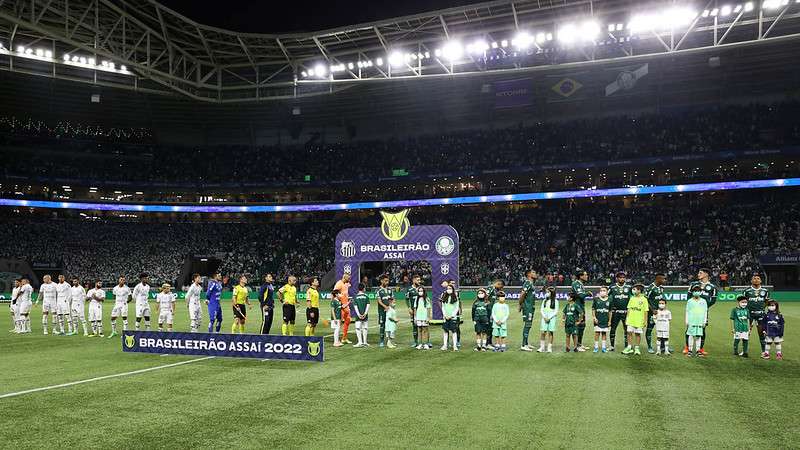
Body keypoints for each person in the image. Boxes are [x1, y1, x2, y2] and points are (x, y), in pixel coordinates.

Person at [684, 268, 717, 355]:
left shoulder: (713, 287)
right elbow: (688, 297)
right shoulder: (693, 284)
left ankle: (701, 349)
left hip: (703, 313)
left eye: (700, 273)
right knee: (689, 329)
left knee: (702, 329)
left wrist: (703, 308)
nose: (698, 274)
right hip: (692, 312)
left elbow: (713, 301)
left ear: (706, 275)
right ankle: (687, 348)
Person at [743, 272, 769, 355]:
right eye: (754, 278)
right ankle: (744, 351)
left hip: (761, 315)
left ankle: (764, 351)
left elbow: (766, 302)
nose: (756, 280)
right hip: (748, 315)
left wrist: (761, 309)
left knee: (761, 334)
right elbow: (742, 303)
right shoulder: (746, 291)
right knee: (746, 333)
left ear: (761, 280)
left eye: (758, 278)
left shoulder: (765, 291)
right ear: (751, 280)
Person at [622, 283, 649, 355]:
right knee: (629, 333)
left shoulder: (644, 299)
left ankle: (637, 348)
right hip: (631, 319)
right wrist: (627, 318)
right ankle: (629, 347)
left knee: (637, 334)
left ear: (639, 290)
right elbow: (629, 309)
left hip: (639, 320)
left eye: (635, 289)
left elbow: (646, 311)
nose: (633, 290)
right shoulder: (632, 298)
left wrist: (645, 321)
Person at [608, 271, 631, 351]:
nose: (622, 279)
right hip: (615, 312)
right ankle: (611, 346)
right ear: (617, 278)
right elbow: (607, 297)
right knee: (613, 329)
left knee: (627, 330)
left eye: (623, 277)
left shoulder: (629, 287)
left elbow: (633, 298)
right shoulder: (612, 287)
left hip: (626, 312)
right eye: (620, 277)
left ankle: (627, 346)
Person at [645, 273, 666, 353]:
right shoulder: (650, 288)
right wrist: (652, 310)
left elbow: (661, 299)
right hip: (652, 313)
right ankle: (649, 347)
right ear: (658, 279)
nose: (665, 280)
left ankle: (663, 346)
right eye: (663, 279)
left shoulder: (661, 288)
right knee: (649, 329)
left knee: (662, 329)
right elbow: (645, 300)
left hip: (661, 312)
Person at [518, 270, 540, 352]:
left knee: (529, 325)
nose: (535, 274)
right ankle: (523, 345)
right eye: (533, 272)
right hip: (527, 307)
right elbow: (523, 294)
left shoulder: (531, 284)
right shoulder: (527, 283)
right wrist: (520, 304)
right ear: (529, 274)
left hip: (531, 307)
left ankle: (526, 343)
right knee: (527, 325)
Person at [570, 270, 591, 351]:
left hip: (581, 307)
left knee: (582, 325)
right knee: (578, 326)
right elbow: (581, 295)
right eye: (585, 275)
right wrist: (588, 293)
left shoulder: (581, 284)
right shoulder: (576, 284)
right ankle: (576, 346)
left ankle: (579, 344)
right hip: (577, 308)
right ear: (581, 276)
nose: (587, 276)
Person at [685, 285, 708, 357]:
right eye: (695, 291)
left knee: (698, 336)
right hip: (692, 320)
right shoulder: (690, 301)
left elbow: (705, 311)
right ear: (692, 292)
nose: (697, 293)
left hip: (700, 321)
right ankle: (690, 350)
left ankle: (698, 351)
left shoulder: (703, 301)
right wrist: (687, 321)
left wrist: (704, 321)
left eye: (698, 291)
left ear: (700, 292)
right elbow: (687, 311)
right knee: (691, 335)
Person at [537, 287, 558, 353]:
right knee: (543, 332)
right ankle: (542, 347)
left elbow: (556, 311)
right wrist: (544, 317)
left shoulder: (555, 301)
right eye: (546, 292)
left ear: (552, 293)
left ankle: (549, 348)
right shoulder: (544, 301)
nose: (547, 293)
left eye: (548, 292)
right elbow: (541, 310)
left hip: (552, 318)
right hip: (544, 318)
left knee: (550, 332)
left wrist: (549, 317)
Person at [591, 286, 612, 353]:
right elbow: (593, 309)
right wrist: (594, 317)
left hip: (605, 320)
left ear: (607, 292)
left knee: (604, 333)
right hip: (597, 320)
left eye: (604, 290)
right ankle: (596, 347)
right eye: (601, 290)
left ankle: (603, 347)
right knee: (597, 333)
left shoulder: (610, 300)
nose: (602, 292)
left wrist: (609, 321)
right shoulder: (596, 299)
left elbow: (610, 311)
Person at [334, 273, 353, 344]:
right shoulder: (339, 284)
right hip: (341, 307)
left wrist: (347, 299)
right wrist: (338, 304)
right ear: (344, 277)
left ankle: (344, 338)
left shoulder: (346, 284)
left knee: (347, 321)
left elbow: (345, 293)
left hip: (346, 306)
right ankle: (337, 340)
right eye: (348, 278)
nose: (349, 280)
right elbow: (334, 293)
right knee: (339, 323)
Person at [485, 279, 504, 349]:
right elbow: (485, 296)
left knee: (491, 327)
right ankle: (487, 343)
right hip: (488, 311)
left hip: (491, 310)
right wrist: (486, 303)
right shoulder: (490, 288)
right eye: (501, 287)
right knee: (489, 327)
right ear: (498, 284)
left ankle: (489, 342)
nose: (501, 288)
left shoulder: (494, 290)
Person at [440, 284, 459, 351]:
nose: (449, 290)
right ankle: (445, 345)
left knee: (454, 331)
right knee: (445, 331)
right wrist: (445, 315)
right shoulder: (444, 296)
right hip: (445, 317)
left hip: (453, 317)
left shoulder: (455, 297)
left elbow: (456, 307)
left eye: (450, 288)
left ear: (453, 289)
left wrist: (452, 315)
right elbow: (443, 307)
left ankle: (455, 346)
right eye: (448, 288)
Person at [376, 275, 392, 347]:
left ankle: (389, 340)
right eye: (385, 281)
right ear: (381, 281)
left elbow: (392, 300)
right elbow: (379, 301)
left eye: (388, 281)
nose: (387, 282)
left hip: (389, 310)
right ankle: (381, 341)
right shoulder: (378, 290)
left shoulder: (390, 290)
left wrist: (390, 306)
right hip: (382, 311)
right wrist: (385, 307)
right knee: (382, 325)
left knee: (390, 325)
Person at [405, 274, 421, 347]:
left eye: (419, 280)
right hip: (413, 310)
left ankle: (423, 341)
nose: (419, 281)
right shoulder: (409, 289)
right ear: (413, 280)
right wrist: (409, 308)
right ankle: (415, 342)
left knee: (422, 326)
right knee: (414, 326)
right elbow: (407, 299)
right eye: (418, 280)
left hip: (421, 310)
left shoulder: (421, 288)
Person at [352, 283, 370, 347]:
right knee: (365, 328)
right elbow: (368, 305)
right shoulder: (366, 296)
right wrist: (365, 313)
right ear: (364, 288)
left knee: (358, 328)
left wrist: (359, 314)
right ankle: (365, 342)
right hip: (365, 315)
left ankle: (360, 342)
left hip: (358, 315)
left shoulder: (356, 297)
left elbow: (355, 306)